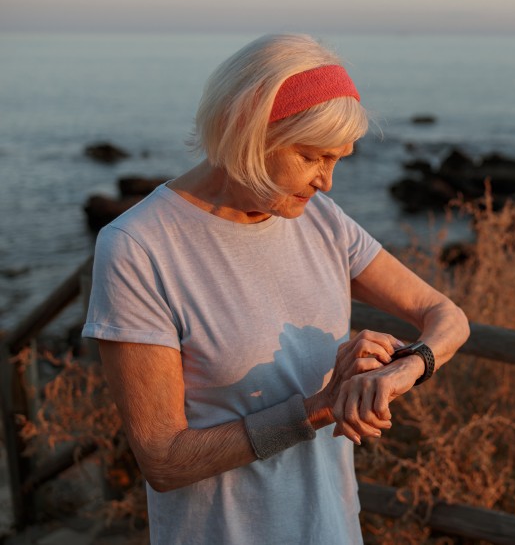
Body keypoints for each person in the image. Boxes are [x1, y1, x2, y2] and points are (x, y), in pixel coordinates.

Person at [83, 33, 470, 544]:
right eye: (311, 157)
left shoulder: (323, 221)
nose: (326, 181)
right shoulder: (139, 247)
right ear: (247, 130)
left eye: (338, 159)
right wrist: (322, 406)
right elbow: (165, 460)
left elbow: (445, 316)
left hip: (334, 529)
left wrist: (404, 369)